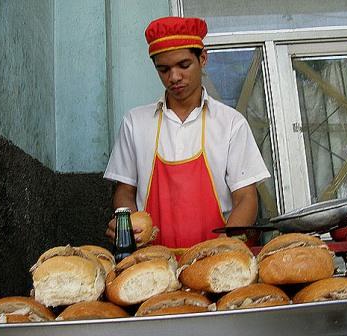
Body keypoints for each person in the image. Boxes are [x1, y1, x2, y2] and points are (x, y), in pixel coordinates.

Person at [104, 16, 270, 249]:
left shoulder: (231, 123)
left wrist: (225, 247)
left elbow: (246, 197)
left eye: (183, 65)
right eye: (163, 69)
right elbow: (125, 192)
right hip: (152, 262)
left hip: (214, 262)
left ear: (202, 59)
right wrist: (128, 226)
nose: (174, 77)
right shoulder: (135, 122)